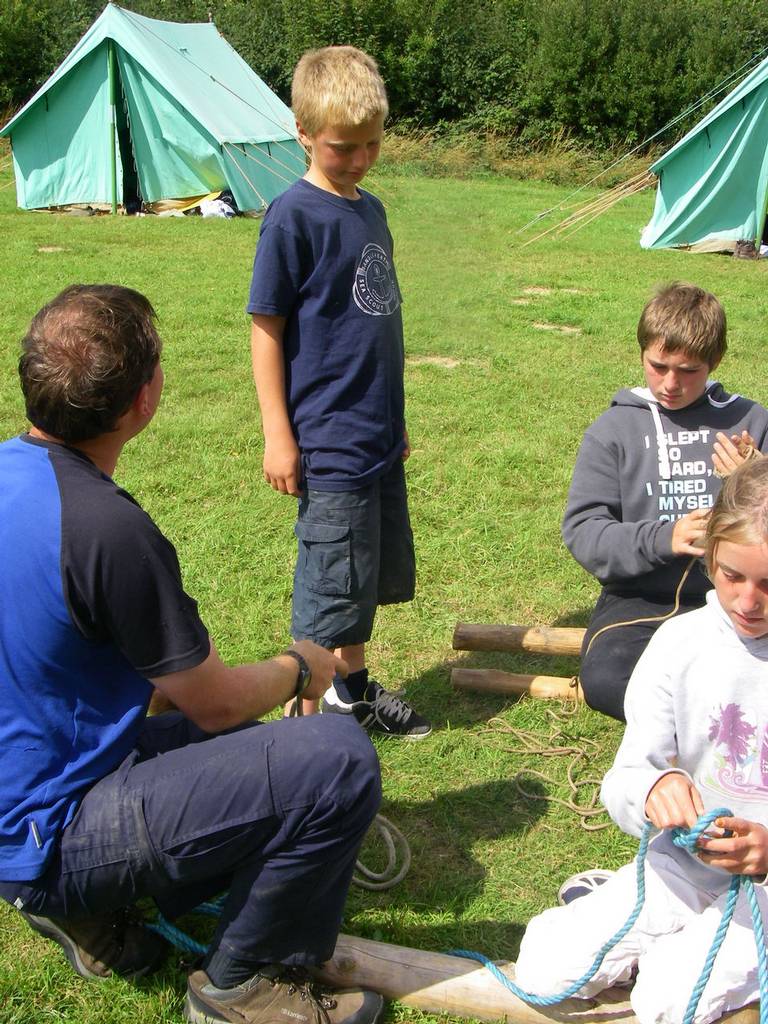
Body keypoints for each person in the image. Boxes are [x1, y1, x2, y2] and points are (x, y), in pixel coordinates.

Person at [0, 284, 385, 1024]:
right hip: (50, 834)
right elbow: (213, 700)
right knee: (334, 755)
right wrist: (303, 666)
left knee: (248, 747)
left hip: (24, 807)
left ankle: (94, 912)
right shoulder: (107, 530)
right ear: (143, 400)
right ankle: (241, 985)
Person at [515, 455, 768, 1023]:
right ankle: (637, 907)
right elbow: (628, 777)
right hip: (684, 862)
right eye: (733, 576)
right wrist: (654, 788)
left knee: (668, 1000)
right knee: (544, 967)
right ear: (708, 560)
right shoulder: (681, 642)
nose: (749, 602)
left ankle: (684, 951)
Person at [247, 45, 431, 739]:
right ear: (302, 134)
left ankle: (349, 689)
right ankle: (303, 735)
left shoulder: (370, 209)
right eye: (340, 148)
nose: (357, 160)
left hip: (376, 432)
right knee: (329, 584)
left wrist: (397, 416)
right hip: (327, 438)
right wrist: (277, 433)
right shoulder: (291, 217)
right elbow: (266, 330)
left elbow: (377, 323)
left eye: (371, 145)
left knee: (364, 572)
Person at [562, 282, 768, 720]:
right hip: (641, 602)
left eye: (689, 371)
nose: (670, 383)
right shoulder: (613, 430)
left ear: (715, 362)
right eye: (658, 366)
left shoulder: (751, 422)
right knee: (605, 676)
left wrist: (753, 483)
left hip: (745, 599)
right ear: (642, 354)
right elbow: (584, 531)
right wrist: (664, 538)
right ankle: (719, 716)